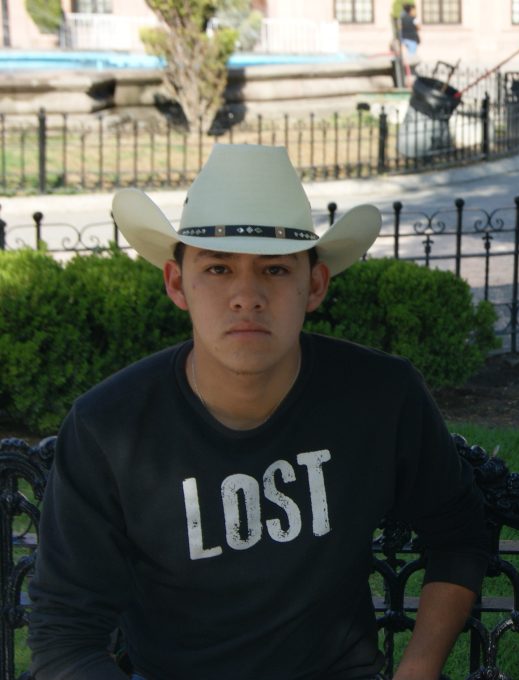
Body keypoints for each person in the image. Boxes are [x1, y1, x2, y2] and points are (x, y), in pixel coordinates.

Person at [27, 144, 491, 680]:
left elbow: (458, 531)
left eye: (274, 269)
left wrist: (419, 668)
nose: (246, 296)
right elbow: (64, 634)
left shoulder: (381, 396)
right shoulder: (109, 426)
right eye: (218, 268)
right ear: (177, 283)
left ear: (314, 285)